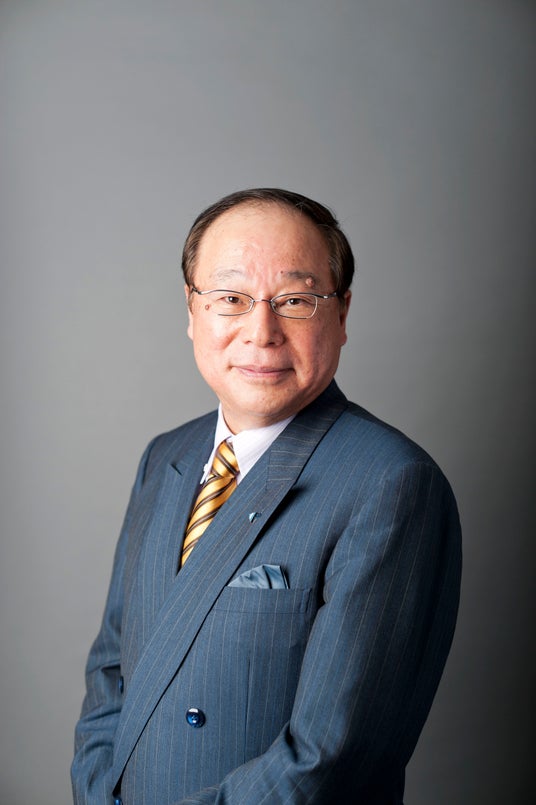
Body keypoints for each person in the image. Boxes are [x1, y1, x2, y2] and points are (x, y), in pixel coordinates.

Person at [71, 188, 462, 804]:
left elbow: (330, 757)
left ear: (342, 313)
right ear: (192, 310)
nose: (261, 332)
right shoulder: (166, 457)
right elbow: (112, 670)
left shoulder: (391, 484)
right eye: (231, 299)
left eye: (295, 301)